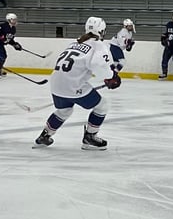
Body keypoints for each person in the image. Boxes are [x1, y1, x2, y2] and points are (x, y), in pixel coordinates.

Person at [34, 17, 120, 150]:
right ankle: (90, 137)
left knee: (64, 110)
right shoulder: (98, 45)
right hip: (73, 85)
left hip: (56, 84)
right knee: (102, 106)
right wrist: (111, 77)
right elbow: (99, 66)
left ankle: (44, 136)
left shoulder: (76, 42)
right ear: (102, 31)